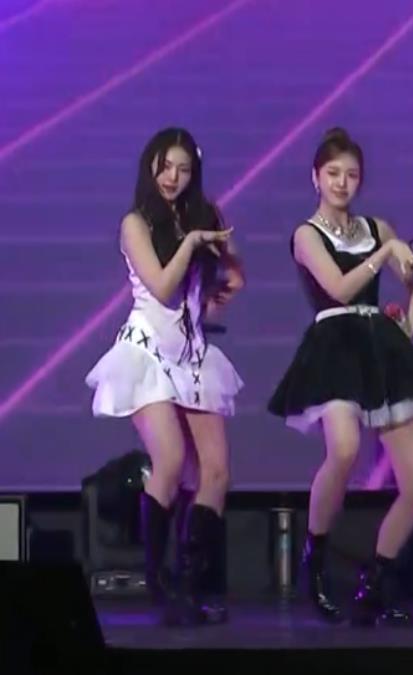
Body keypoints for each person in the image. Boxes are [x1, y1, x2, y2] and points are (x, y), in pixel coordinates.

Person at [268, 128, 413, 627]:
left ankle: (376, 581)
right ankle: (316, 559)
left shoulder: (377, 227)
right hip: (335, 348)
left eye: (351, 175)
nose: (342, 183)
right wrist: (384, 254)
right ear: (315, 177)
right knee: (343, 450)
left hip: (380, 348)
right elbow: (340, 290)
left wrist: (408, 324)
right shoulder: (307, 235)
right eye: (333, 173)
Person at [86, 128, 243, 626]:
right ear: (150, 167)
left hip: (191, 353)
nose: (174, 177)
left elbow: (220, 284)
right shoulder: (135, 224)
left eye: (184, 169)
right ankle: (159, 584)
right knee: (170, 459)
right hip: (146, 352)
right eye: (166, 166)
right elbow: (160, 285)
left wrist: (221, 282)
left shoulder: (200, 217)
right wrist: (192, 242)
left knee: (216, 471)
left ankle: (194, 583)